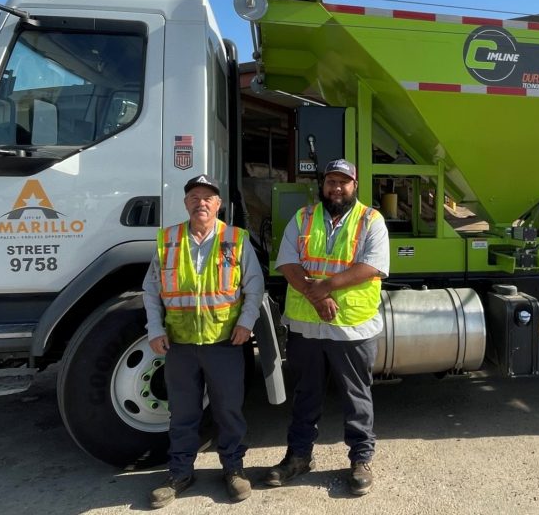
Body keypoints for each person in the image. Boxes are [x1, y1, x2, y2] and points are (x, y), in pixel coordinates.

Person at [264, 158, 389, 496]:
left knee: (356, 395)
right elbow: (287, 263)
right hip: (308, 325)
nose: (336, 188)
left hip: (352, 327)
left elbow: (371, 266)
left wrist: (325, 287)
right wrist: (317, 297)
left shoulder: (371, 220)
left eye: (343, 182)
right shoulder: (303, 218)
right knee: (306, 393)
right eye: (331, 181)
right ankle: (299, 456)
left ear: (355, 185)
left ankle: (361, 459)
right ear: (322, 185)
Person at [143, 174, 263, 509]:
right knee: (182, 412)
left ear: (218, 204)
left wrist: (246, 323)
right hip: (179, 345)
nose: (201, 203)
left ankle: (233, 469)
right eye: (194, 197)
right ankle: (180, 472)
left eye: (208, 198)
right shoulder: (168, 240)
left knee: (228, 410)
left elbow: (254, 286)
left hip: (224, 342)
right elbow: (151, 290)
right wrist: (155, 329)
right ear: (186, 203)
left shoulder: (235, 239)